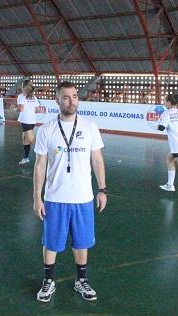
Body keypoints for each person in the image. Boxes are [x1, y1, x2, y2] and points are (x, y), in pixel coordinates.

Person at [33, 81, 107, 303]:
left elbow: (97, 159)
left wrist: (102, 189)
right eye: (66, 97)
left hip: (83, 197)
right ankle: (48, 281)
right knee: (51, 242)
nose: (71, 101)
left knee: (82, 242)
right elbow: (39, 165)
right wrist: (37, 197)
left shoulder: (89, 126)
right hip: (55, 197)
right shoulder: (46, 130)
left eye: (75, 96)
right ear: (57, 100)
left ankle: (81, 280)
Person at [17, 79, 39, 165]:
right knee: (25, 138)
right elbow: (36, 109)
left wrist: (14, 108)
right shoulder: (34, 97)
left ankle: (50, 152)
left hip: (26, 121)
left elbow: (21, 109)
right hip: (32, 120)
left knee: (31, 140)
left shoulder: (21, 96)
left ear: (23, 87)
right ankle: (26, 157)